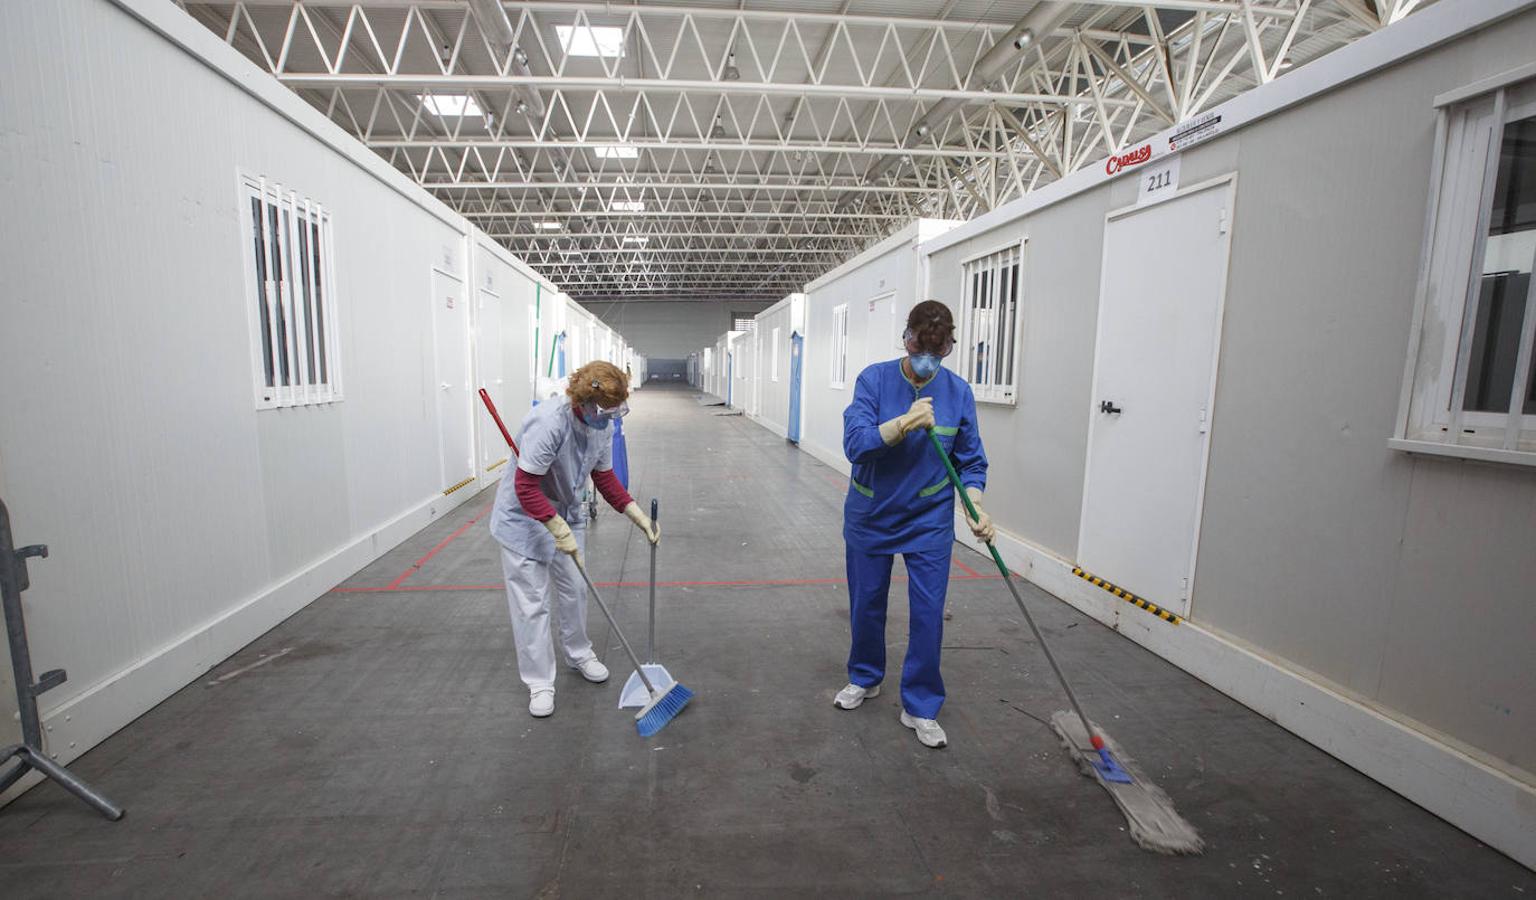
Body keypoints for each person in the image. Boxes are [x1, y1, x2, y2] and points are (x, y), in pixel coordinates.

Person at [834, 301, 994, 749]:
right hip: (872, 514)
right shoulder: (874, 379)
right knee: (866, 603)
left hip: (928, 520)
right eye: (920, 350)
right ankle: (865, 677)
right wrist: (901, 424)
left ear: (947, 349)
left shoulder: (958, 393)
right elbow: (856, 444)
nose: (926, 363)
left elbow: (972, 461)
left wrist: (975, 505)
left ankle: (921, 705)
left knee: (927, 614)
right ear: (906, 339)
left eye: (937, 355)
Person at [490, 361, 661, 718]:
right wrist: (554, 527)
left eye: (618, 410)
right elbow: (525, 486)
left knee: (576, 587)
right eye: (607, 410)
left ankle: (579, 653)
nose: (612, 417)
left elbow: (604, 476)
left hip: (565, 512)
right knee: (532, 602)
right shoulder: (550, 423)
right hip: (523, 519)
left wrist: (634, 513)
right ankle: (539, 682)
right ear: (583, 402)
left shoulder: (602, 425)